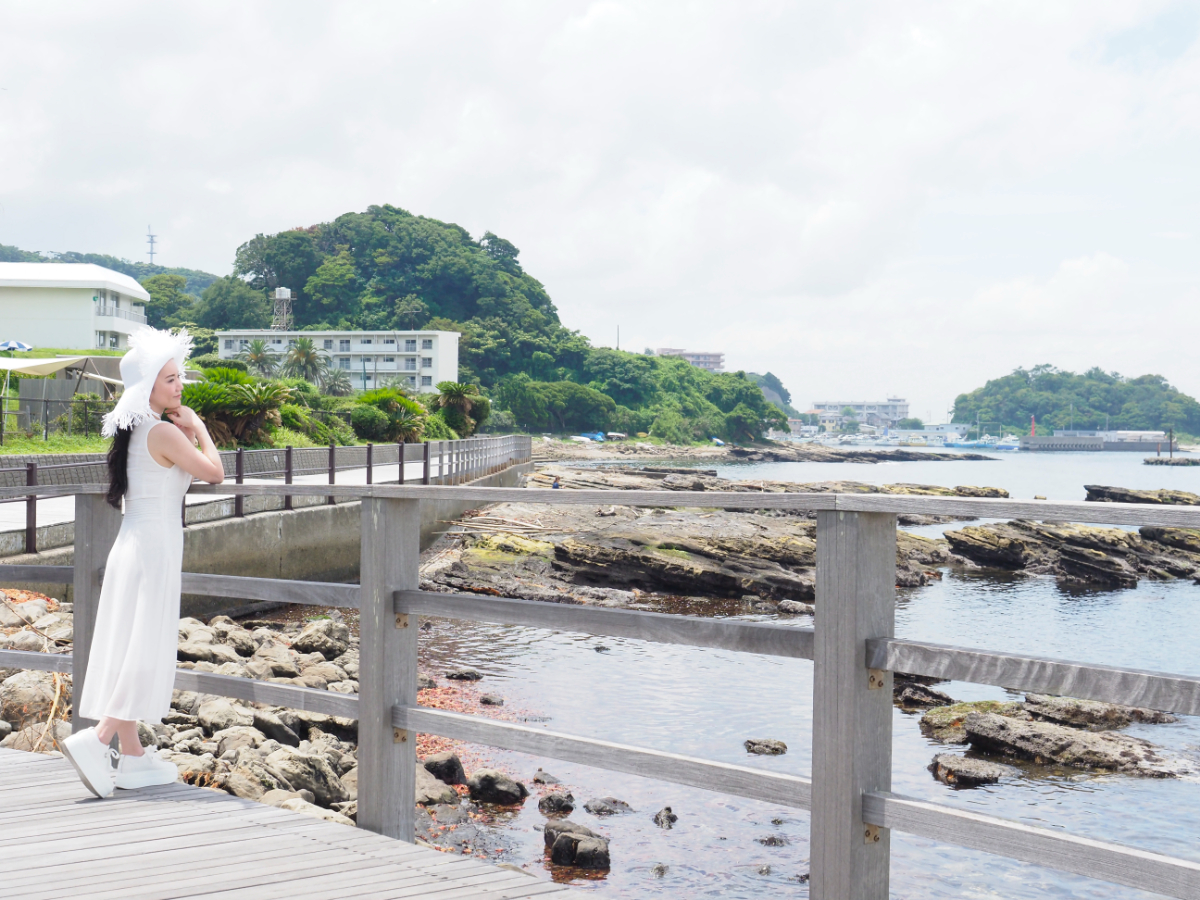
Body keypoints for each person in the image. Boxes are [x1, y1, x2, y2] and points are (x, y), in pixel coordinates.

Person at [60, 327, 225, 798]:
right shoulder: (163, 430)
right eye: (170, 380)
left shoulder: (136, 432)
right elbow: (214, 473)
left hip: (133, 542)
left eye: (179, 378)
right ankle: (98, 738)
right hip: (153, 545)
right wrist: (199, 427)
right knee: (144, 644)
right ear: (148, 386)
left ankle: (131, 759)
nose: (179, 387)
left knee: (129, 639)